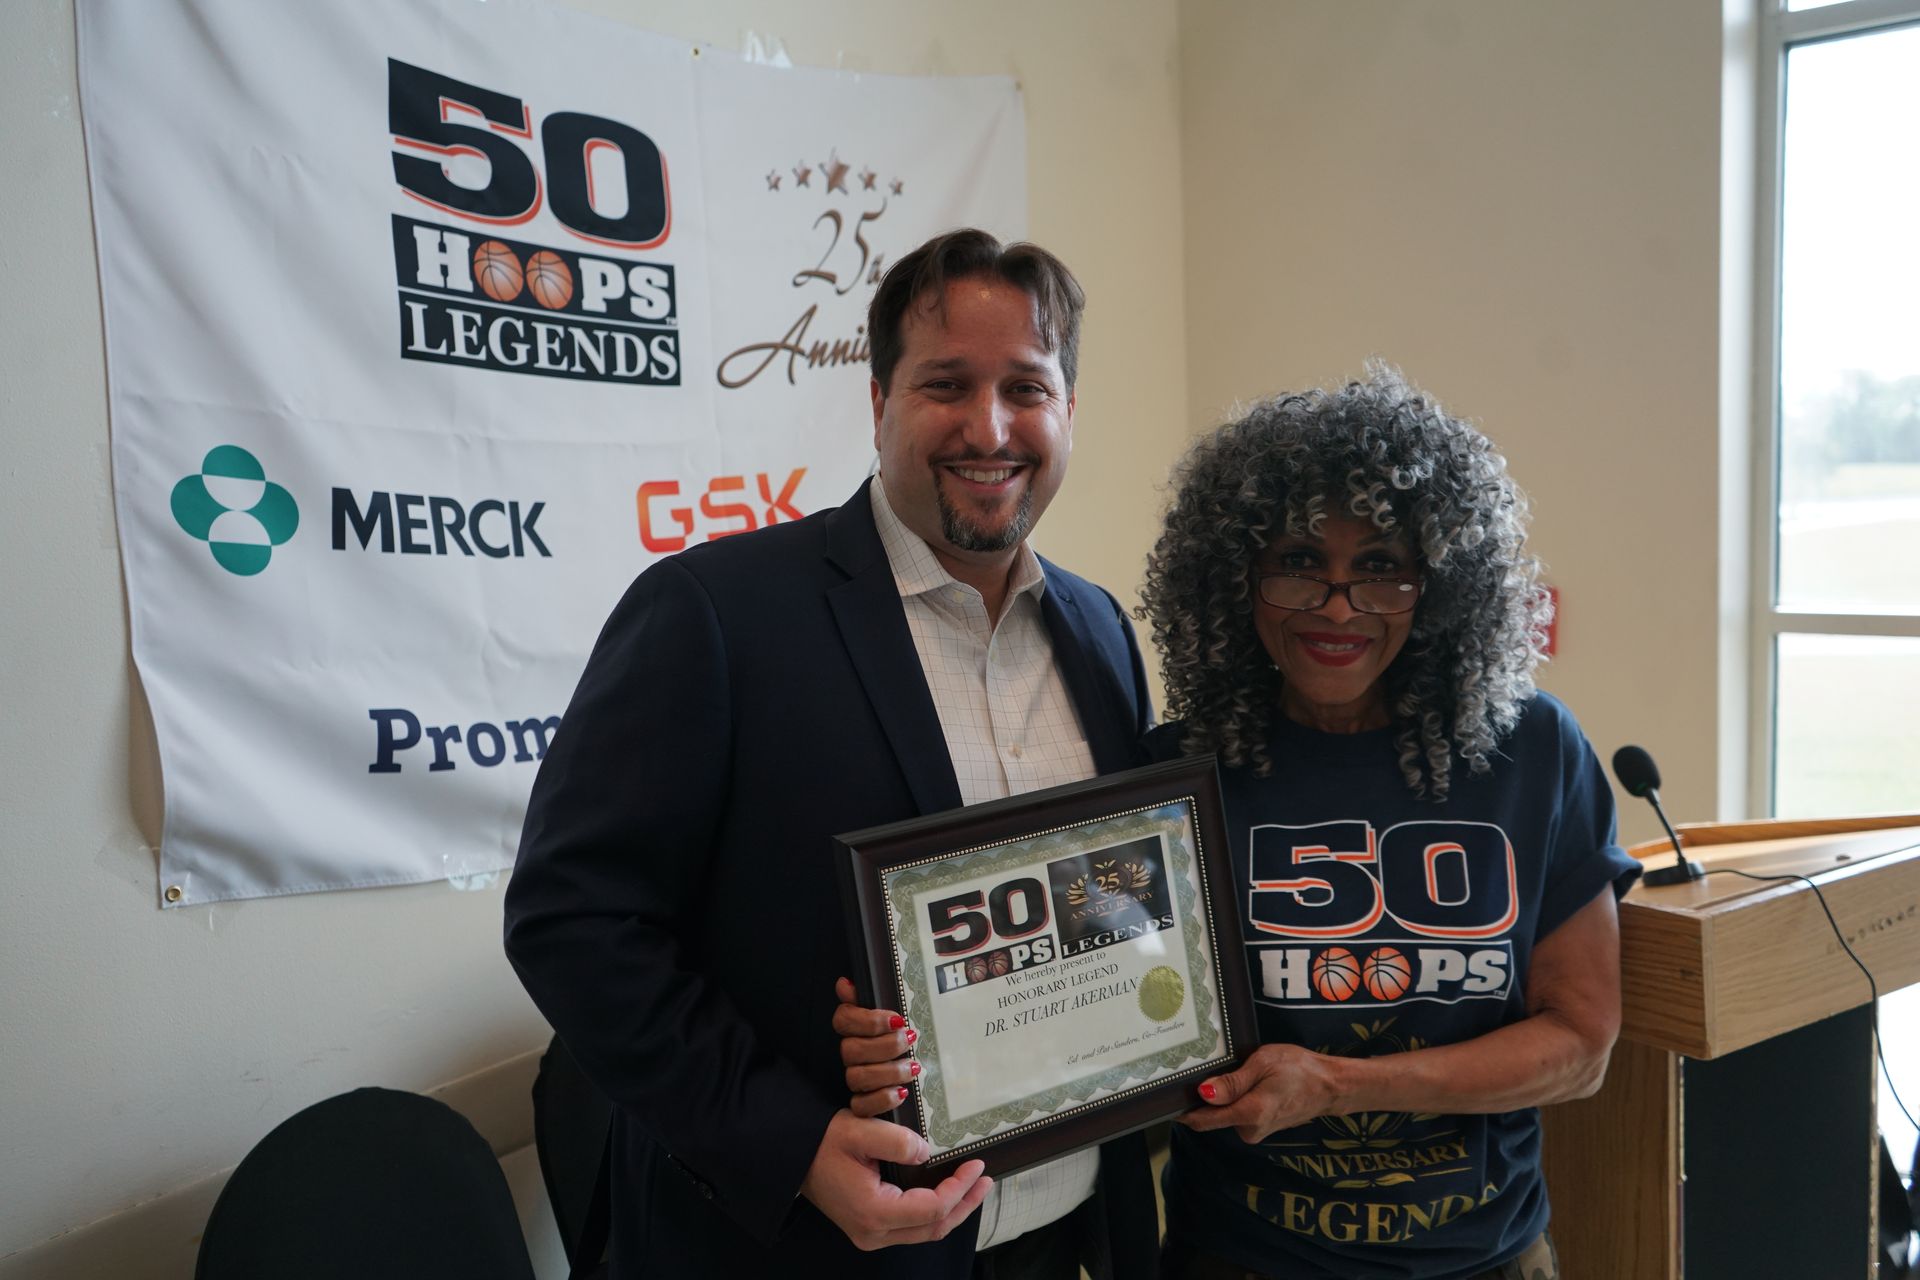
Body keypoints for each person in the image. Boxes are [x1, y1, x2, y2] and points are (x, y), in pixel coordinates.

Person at [504, 228, 1158, 1279]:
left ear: (1068, 412)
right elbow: (572, 920)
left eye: (1026, 387)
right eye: (946, 382)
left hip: (1057, 1238)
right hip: (799, 1251)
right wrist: (794, 1144)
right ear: (879, 402)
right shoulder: (714, 613)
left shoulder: (1101, 632)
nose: (989, 425)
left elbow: (1116, 897)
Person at [1135, 365, 1640, 1280]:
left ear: (1441, 589)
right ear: (1235, 578)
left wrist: (1336, 1088)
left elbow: (1580, 1047)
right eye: (1297, 563)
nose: (1338, 607)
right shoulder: (1171, 773)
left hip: (1485, 1260)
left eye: (1380, 569)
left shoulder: (1531, 754)